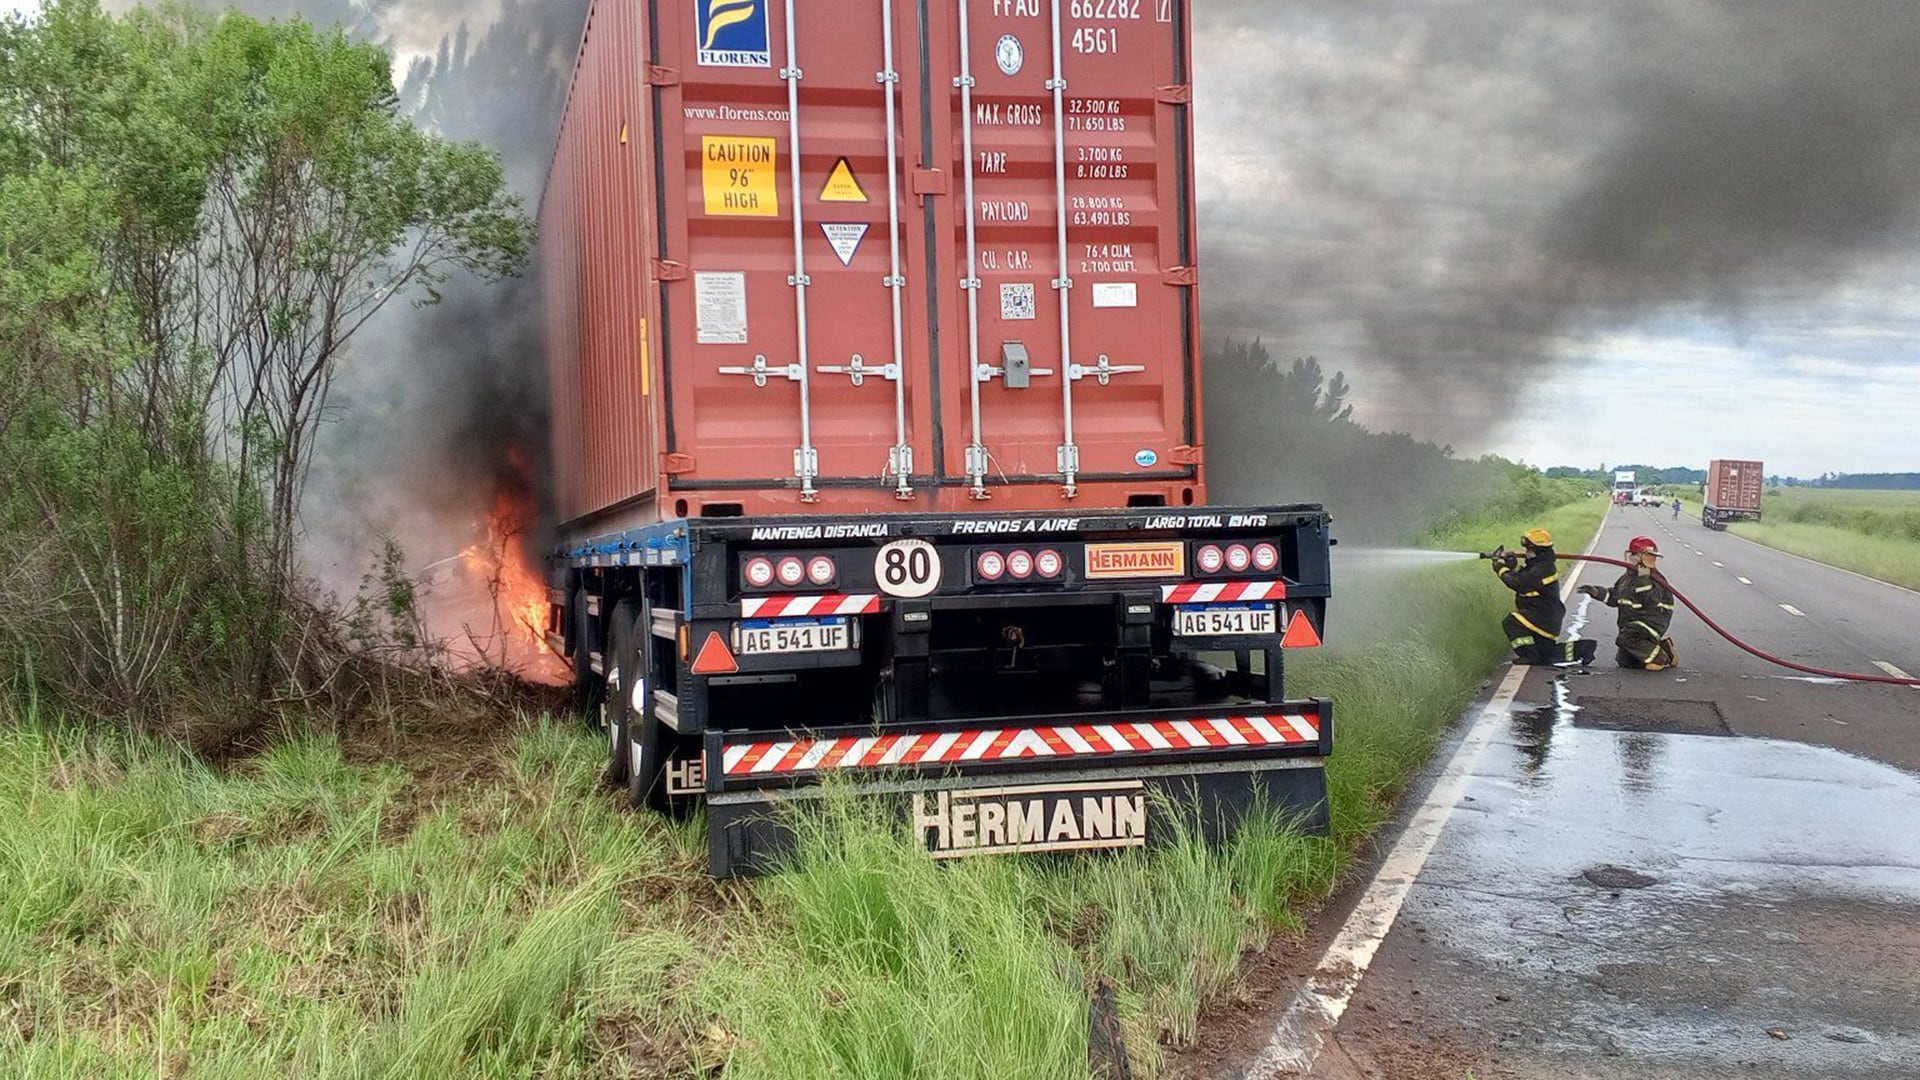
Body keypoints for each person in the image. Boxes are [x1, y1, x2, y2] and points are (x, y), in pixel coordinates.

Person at [1579, 535, 1679, 670]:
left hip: (1651, 622)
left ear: (1647, 557)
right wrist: (1596, 592)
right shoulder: (1627, 578)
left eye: (1635, 554)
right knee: (1626, 661)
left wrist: (1643, 578)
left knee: (1626, 638)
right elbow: (1615, 597)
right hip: (1631, 624)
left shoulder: (1654, 578)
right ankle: (1665, 648)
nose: (1632, 558)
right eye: (1631, 554)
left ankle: (1659, 657)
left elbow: (1651, 601)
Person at [1493, 528, 1582, 665]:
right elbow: (1524, 578)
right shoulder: (1538, 565)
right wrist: (1512, 568)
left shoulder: (1543, 568)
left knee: (1511, 621)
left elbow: (1519, 583)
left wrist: (1501, 568)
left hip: (1543, 618)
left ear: (1538, 550)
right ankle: (1537, 652)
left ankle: (1529, 655)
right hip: (1541, 617)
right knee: (1545, 654)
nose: (1526, 552)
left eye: (1529, 549)